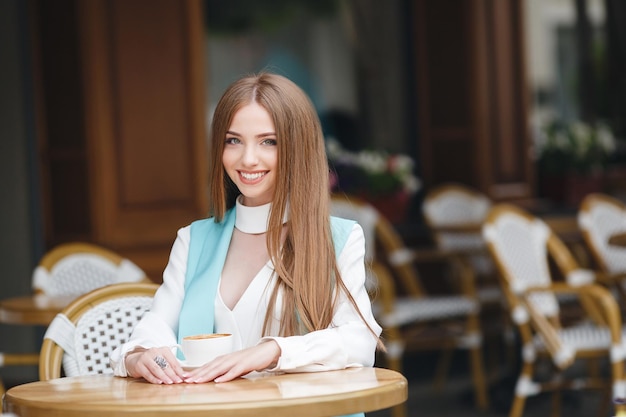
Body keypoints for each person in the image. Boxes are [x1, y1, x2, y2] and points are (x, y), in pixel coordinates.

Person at [110, 73, 383, 413]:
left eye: (268, 141)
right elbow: (155, 328)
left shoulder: (339, 238)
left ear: (298, 147)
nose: (247, 159)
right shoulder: (193, 239)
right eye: (233, 141)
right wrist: (140, 357)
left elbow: (359, 342)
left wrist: (271, 351)